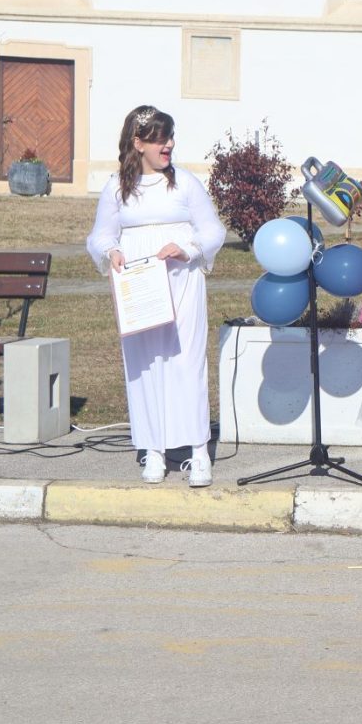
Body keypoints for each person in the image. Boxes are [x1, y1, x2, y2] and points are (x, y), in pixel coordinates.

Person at [86, 105, 225, 487]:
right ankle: (154, 449)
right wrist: (109, 252)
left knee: (186, 361)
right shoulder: (117, 188)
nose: (169, 145)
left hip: (181, 281)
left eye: (170, 137)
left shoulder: (185, 184)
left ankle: (198, 451)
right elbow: (100, 235)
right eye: (161, 138)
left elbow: (213, 231)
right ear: (139, 142)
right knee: (144, 364)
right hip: (139, 285)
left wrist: (188, 249)